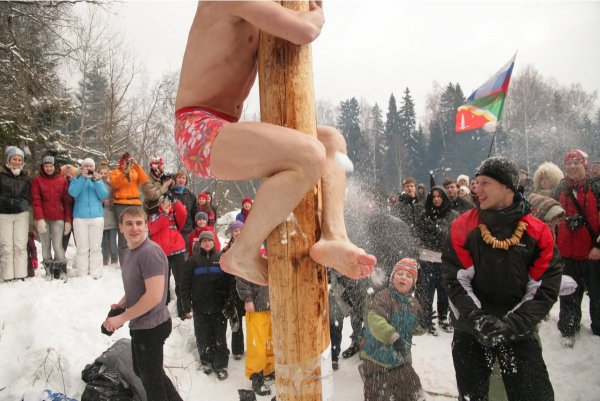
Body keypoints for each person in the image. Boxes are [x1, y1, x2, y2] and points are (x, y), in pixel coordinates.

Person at [174, 1, 376, 285]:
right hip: (197, 130)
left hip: (222, 128)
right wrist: (317, 11)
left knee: (330, 141)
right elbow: (304, 29)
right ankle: (241, 252)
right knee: (309, 156)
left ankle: (334, 236)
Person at [442, 156, 561, 401]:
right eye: (476, 183)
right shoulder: (462, 227)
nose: (477, 189)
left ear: (507, 186)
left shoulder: (538, 232)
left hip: (519, 331)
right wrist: (477, 318)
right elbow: (456, 281)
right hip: (470, 331)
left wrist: (511, 325)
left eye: (485, 183)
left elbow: (543, 289)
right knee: (475, 396)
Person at [102, 206, 183, 401]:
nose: (135, 228)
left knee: (152, 384)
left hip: (152, 326)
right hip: (142, 324)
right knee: (147, 373)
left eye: (139, 223)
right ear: (120, 227)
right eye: (129, 224)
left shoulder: (149, 253)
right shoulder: (132, 251)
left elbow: (154, 296)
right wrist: (122, 303)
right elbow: (139, 284)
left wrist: (122, 317)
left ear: (146, 226)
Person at [359, 258, 425, 401]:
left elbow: (415, 329)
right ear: (392, 277)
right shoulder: (383, 297)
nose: (403, 277)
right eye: (400, 273)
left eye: (409, 276)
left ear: (413, 283)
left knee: (414, 392)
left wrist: (423, 324)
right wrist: (393, 337)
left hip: (401, 358)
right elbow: (376, 321)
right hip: (377, 358)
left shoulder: (414, 304)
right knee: (379, 393)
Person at [554, 149, 600, 347]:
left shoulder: (596, 188)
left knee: (597, 294)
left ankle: (598, 328)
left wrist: (598, 245)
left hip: (593, 253)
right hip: (566, 253)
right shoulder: (561, 189)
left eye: (577, 163)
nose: (572, 166)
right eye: (569, 163)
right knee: (568, 293)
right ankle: (568, 328)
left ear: (585, 165)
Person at [180, 231, 237, 380]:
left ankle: (221, 365)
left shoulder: (221, 259)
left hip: (219, 307)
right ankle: (206, 361)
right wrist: (186, 305)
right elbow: (184, 285)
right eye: (203, 240)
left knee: (219, 337)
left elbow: (231, 283)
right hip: (200, 308)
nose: (206, 243)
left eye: (209, 240)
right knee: (202, 337)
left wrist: (229, 302)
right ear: (200, 243)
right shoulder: (192, 261)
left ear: (214, 242)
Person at [414, 186, 458, 335]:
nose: (436, 199)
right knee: (426, 290)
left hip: (445, 258)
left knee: (444, 290)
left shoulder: (452, 215)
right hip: (427, 257)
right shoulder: (424, 215)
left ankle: (443, 317)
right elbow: (420, 234)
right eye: (433, 197)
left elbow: (449, 235)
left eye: (439, 196)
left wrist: (434, 230)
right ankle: (426, 318)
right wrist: (436, 232)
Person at [236, 253, 275, 396]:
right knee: (256, 344)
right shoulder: (251, 249)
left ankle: (269, 369)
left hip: (273, 305)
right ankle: (256, 375)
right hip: (257, 305)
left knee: (271, 341)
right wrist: (248, 299)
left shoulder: (274, 248)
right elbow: (242, 275)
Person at [31, 154, 72, 279]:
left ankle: (62, 271)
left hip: (58, 218)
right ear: (43, 167)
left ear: (55, 166)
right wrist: (40, 219)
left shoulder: (62, 181)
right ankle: (49, 271)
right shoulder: (37, 181)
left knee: (57, 245)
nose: (49, 168)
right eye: (46, 166)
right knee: (45, 245)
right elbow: (36, 201)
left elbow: (67, 202)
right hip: (43, 218)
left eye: (51, 166)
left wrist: (67, 220)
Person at [148, 194, 188, 319]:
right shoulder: (154, 217)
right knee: (162, 282)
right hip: (161, 254)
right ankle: (161, 308)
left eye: (168, 203)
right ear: (160, 205)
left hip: (178, 252)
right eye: (163, 202)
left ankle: (183, 310)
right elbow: (154, 229)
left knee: (181, 281)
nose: (166, 205)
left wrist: (175, 200)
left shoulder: (175, 216)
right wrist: (164, 215)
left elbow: (183, 212)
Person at [69, 158, 108, 278]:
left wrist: (96, 181)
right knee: (82, 247)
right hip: (80, 218)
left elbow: (104, 195)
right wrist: (83, 178)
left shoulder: (98, 179)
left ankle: (96, 272)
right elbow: (73, 193)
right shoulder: (76, 179)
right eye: (86, 166)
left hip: (96, 217)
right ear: (82, 168)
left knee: (96, 247)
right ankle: (82, 273)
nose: (88, 168)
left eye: (91, 166)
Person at [110, 152, 149, 265]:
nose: (127, 162)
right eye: (125, 160)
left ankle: (138, 261)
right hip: (121, 203)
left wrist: (136, 165)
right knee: (123, 234)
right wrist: (124, 172)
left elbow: (144, 180)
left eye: (129, 160)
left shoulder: (135, 170)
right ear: (121, 161)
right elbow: (114, 184)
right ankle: (124, 264)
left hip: (135, 203)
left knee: (138, 232)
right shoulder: (116, 172)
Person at [0, 146, 31, 281]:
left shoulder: (25, 177)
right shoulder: (1, 175)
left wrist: (21, 203)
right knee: (6, 246)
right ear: (8, 160)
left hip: (21, 214)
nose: (17, 162)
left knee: (20, 244)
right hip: (3, 213)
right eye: (14, 159)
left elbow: (29, 196)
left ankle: (20, 274)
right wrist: (7, 201)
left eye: (19, 160)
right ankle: (7, 275)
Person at [222, 220, 246, 360]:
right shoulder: (226, 250)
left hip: (248, 286)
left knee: (251, 319)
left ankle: (254, 346)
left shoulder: (249, 246)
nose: (238, 233)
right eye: (235, 230)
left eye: (240, 230)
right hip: (233, 287)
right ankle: (237, 350)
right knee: (236, 319)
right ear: (231, 233)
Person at [169, 171, 198, 244]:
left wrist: (195, 227)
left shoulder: (191, 195)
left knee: (185, 251)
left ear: (186, 181)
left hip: (186, 229)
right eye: (179, 177)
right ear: (175, 179)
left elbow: (195, 212)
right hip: (172, 228)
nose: (181, 180)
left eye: (183, 178)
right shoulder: (170, 193)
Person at [98, 162, 119, 265]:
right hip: (100, 216)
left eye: (105, 173)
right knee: (102, 241)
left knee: (112, 241)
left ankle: (114, 258)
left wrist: (110, 202)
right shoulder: (96, 184)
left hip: (111, 216)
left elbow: (116, 197)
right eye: (101, 173)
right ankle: (104, 259)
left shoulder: (112, 185)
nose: (103, 175)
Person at [59, 164, 77, 252]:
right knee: (63, 241)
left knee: (79, 241)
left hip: (76, 215)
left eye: (70, 173)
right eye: (65, 173)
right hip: (63, 215)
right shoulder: (59, 184)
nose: (68, 175)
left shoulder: (76, 183)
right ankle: (60, 260)